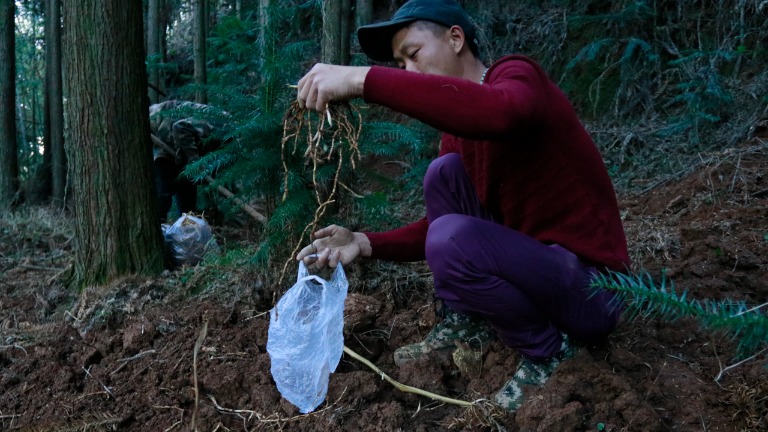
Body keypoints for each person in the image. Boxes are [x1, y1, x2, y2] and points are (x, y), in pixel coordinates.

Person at [295, 0, 629, 412]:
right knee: (444, 173)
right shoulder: (459, 136)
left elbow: (502, 113)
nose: (408, 72)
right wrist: (365, 242)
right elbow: (442, 230)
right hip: (541, 274)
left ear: (456, 38)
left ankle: (550, 354)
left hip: (595, 292)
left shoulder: (516, 77)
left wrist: (364, 80)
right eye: (399, 65)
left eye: (413, 54)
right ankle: (466, 321)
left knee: (450, 224)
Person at [149, 100, 227, 222]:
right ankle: (159, 227)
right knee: (164, 188)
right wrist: (196, 163)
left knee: (187, 187)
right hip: (165, 126)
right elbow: (180, 127)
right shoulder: (221, 127)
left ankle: (187, 228)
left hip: (177, 137)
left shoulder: (226, 129)